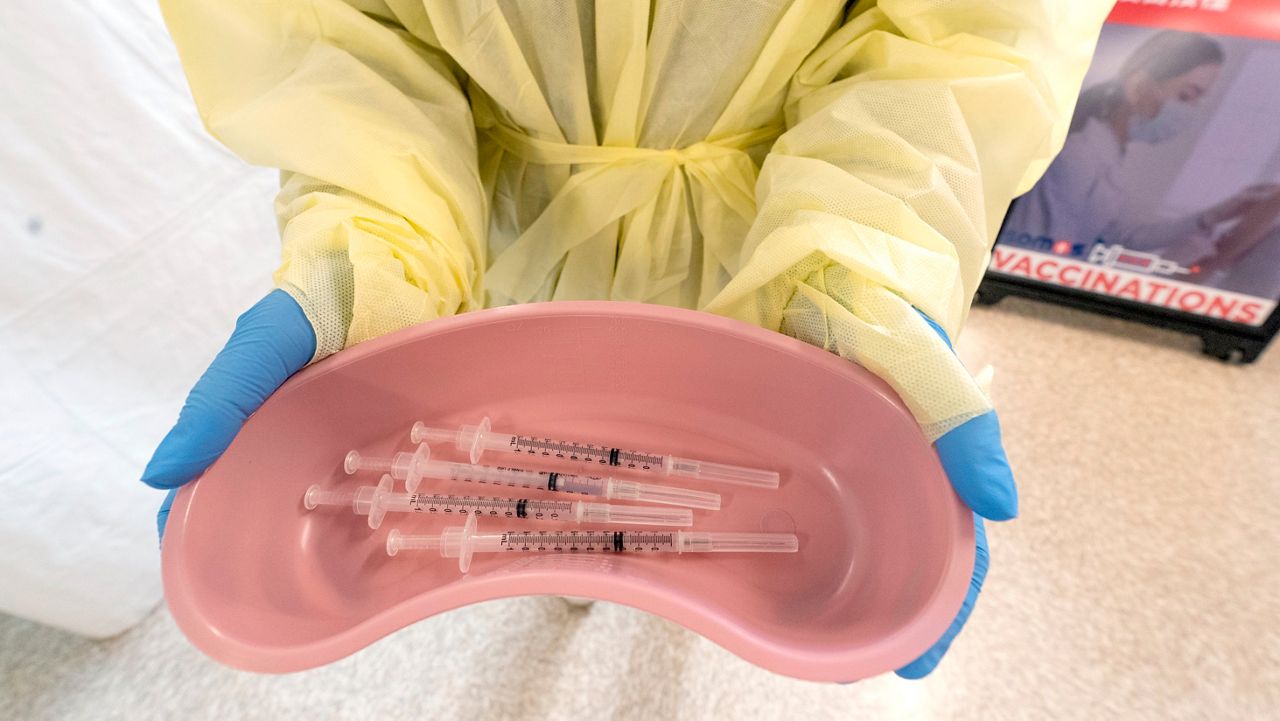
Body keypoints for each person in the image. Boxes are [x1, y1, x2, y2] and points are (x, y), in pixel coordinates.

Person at [142, 0, 1116, 679]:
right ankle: (573, 584)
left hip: (777, 238)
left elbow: (966, 44)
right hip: (502, 235)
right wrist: (363, 262)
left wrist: (860, 270)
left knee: (697, 535)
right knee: (540, 500)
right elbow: (323, 45)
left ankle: (655, 594)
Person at [1006, 29, 1280, 268]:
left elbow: (1120, 234)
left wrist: (1216, 213)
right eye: (1186, 95)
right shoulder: (1077, 156)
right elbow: (1040, 257)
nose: (1191, 110)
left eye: (1199, 98)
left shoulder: (1109, 152)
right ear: (1138, 87)